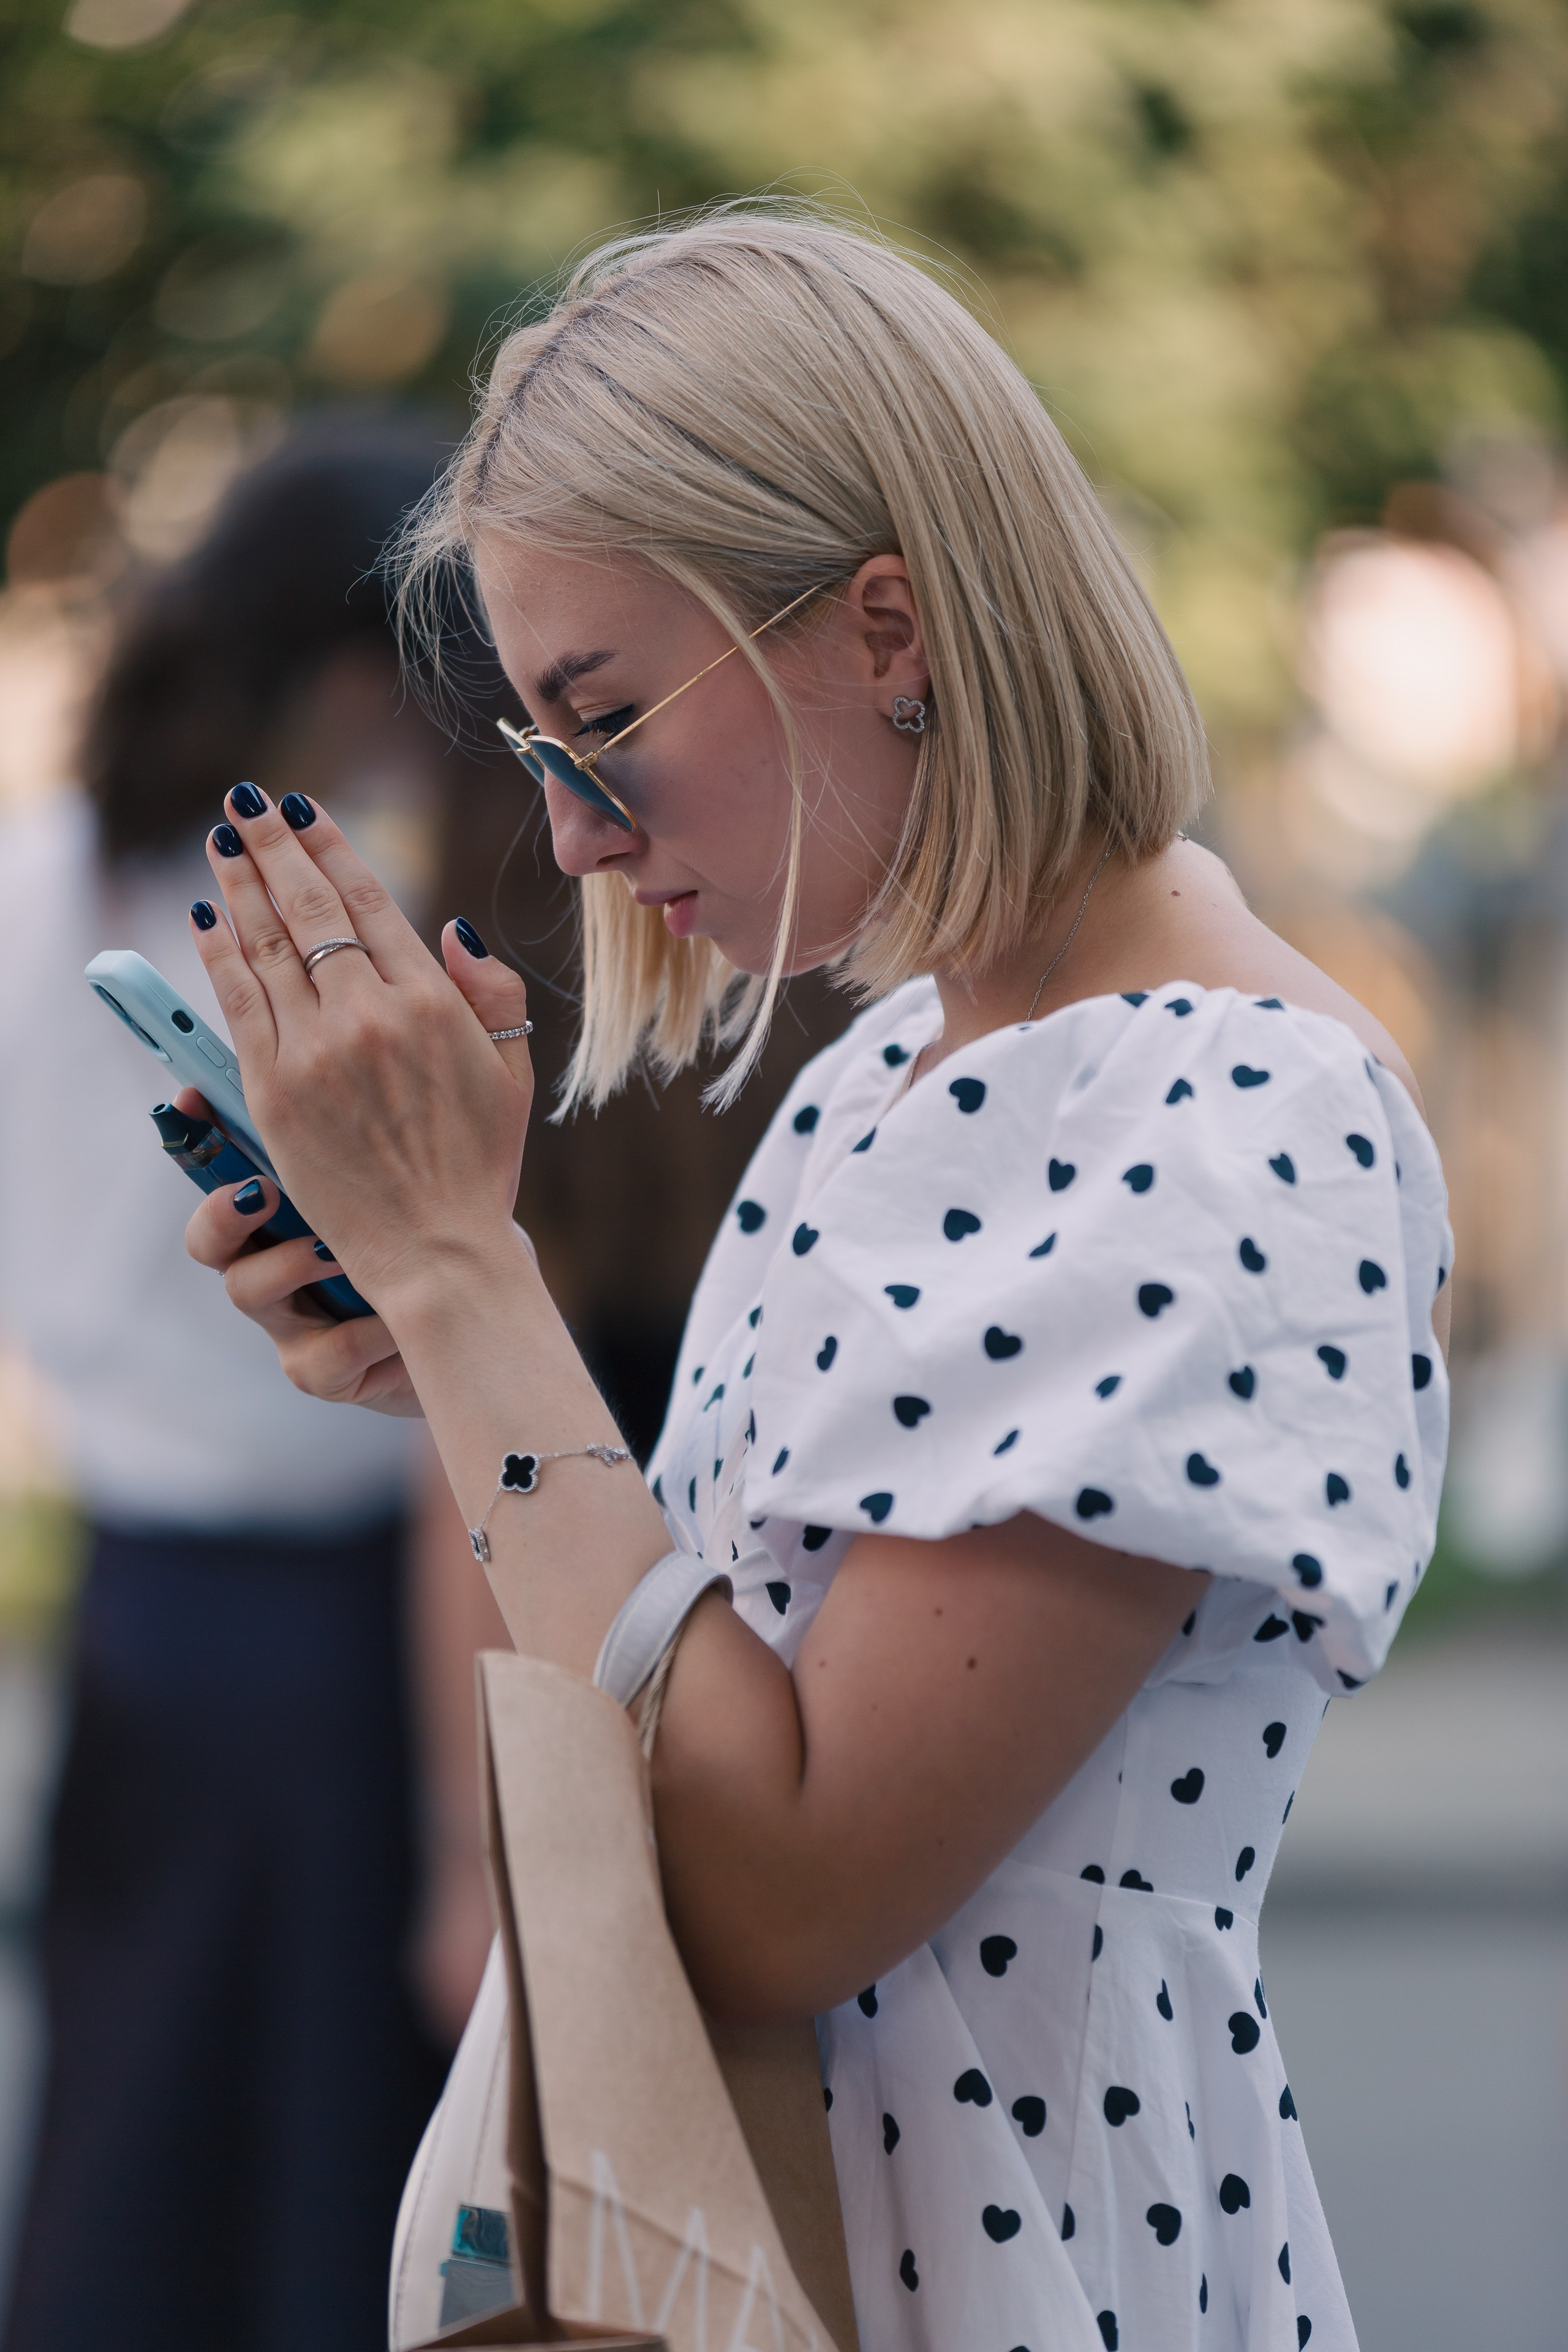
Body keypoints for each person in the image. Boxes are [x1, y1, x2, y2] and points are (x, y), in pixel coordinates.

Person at [178, 208, 1450, 2352]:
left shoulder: (1227, 1105)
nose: (571, 834)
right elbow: (706, 1672)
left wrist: (471, 1280)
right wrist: (443, 1346)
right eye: (533, 752)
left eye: (600, 722)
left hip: (1020, 2254)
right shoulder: (905, 1061)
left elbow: (777, 1893)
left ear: (885, 625)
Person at [0, 424, 508, 2352]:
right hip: (339, 1626)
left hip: (133, 1607)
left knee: (129, 2144)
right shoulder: (336, 920)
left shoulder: (37, 879)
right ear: (351, 663)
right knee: (339, 2186)